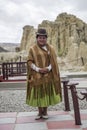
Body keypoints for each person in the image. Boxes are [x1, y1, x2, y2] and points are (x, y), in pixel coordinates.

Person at [26, 28, 62, 120]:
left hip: (48, 74)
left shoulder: (51, 48)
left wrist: (48, 68)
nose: (42, 39)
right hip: (37, 75)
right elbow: (29, 61)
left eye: (44, 37)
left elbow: (53, 61)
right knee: (38, 93)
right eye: (40, 37)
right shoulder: (32, 49)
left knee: (46, 93)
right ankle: (39, 112)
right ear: (37, 38)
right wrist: (38, 69)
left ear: (46, 38)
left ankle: (45, 112)